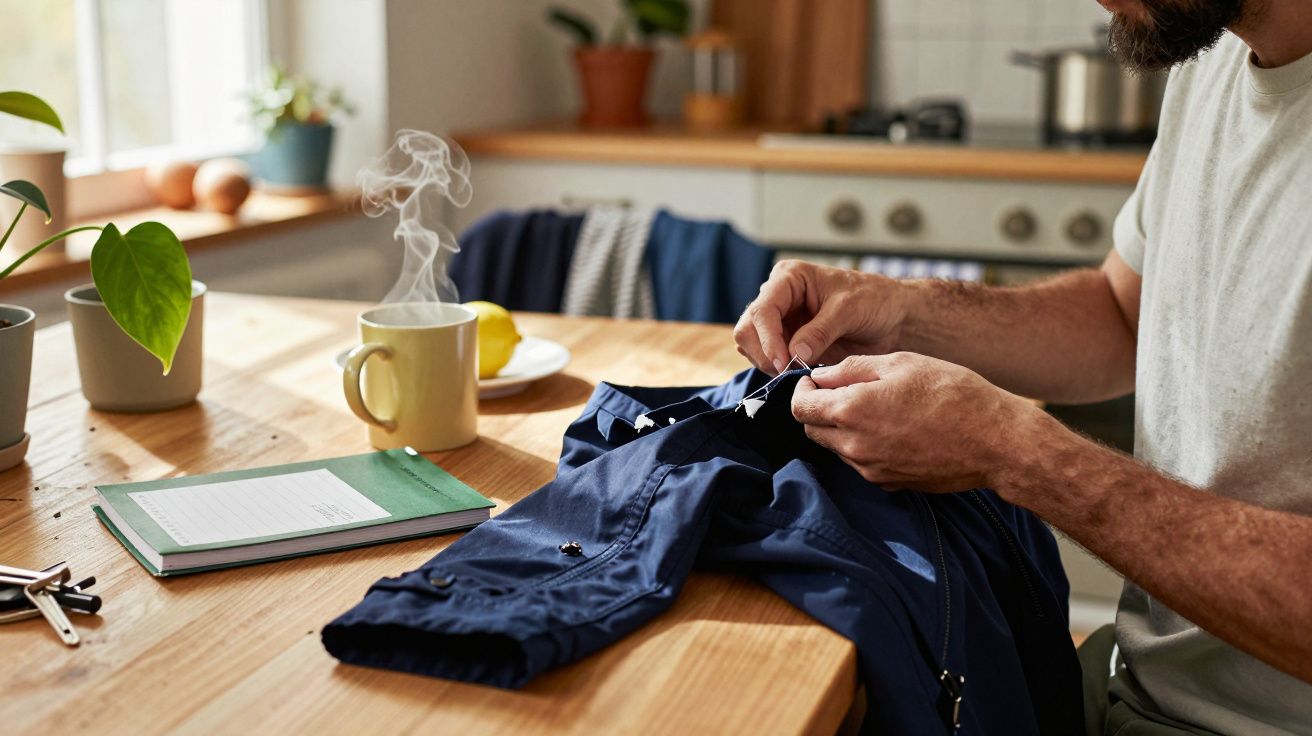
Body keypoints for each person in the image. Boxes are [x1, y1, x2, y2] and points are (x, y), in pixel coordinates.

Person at [733, 0, 1312, 733]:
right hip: (1135, 684)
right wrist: (900, 309)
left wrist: (1014, 451)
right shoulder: (1215, 62)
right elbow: (1119, 317)